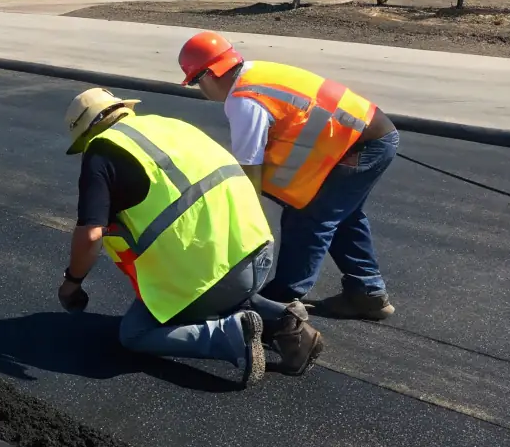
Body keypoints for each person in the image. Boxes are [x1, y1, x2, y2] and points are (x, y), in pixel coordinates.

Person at [58, 88, 322, 384]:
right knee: (221, 288)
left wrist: (72, 282)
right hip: (259, 251)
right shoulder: (171, 126)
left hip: (212, 275)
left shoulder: (102, 151)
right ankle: (283, 321)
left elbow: (92, 235)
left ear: (86, 134)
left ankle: (228, 335)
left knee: (134, 333)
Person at [178, 31, 398, 320]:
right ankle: (367, 293)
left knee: (309, 216)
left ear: (206, 76)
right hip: (367, 134)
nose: (200, 90)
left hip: (362, 143)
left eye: (195, 82)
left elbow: (249, 169)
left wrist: (246, 224)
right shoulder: (254, 73)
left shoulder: (244, 101)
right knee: (343, 216)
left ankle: (283, 301)